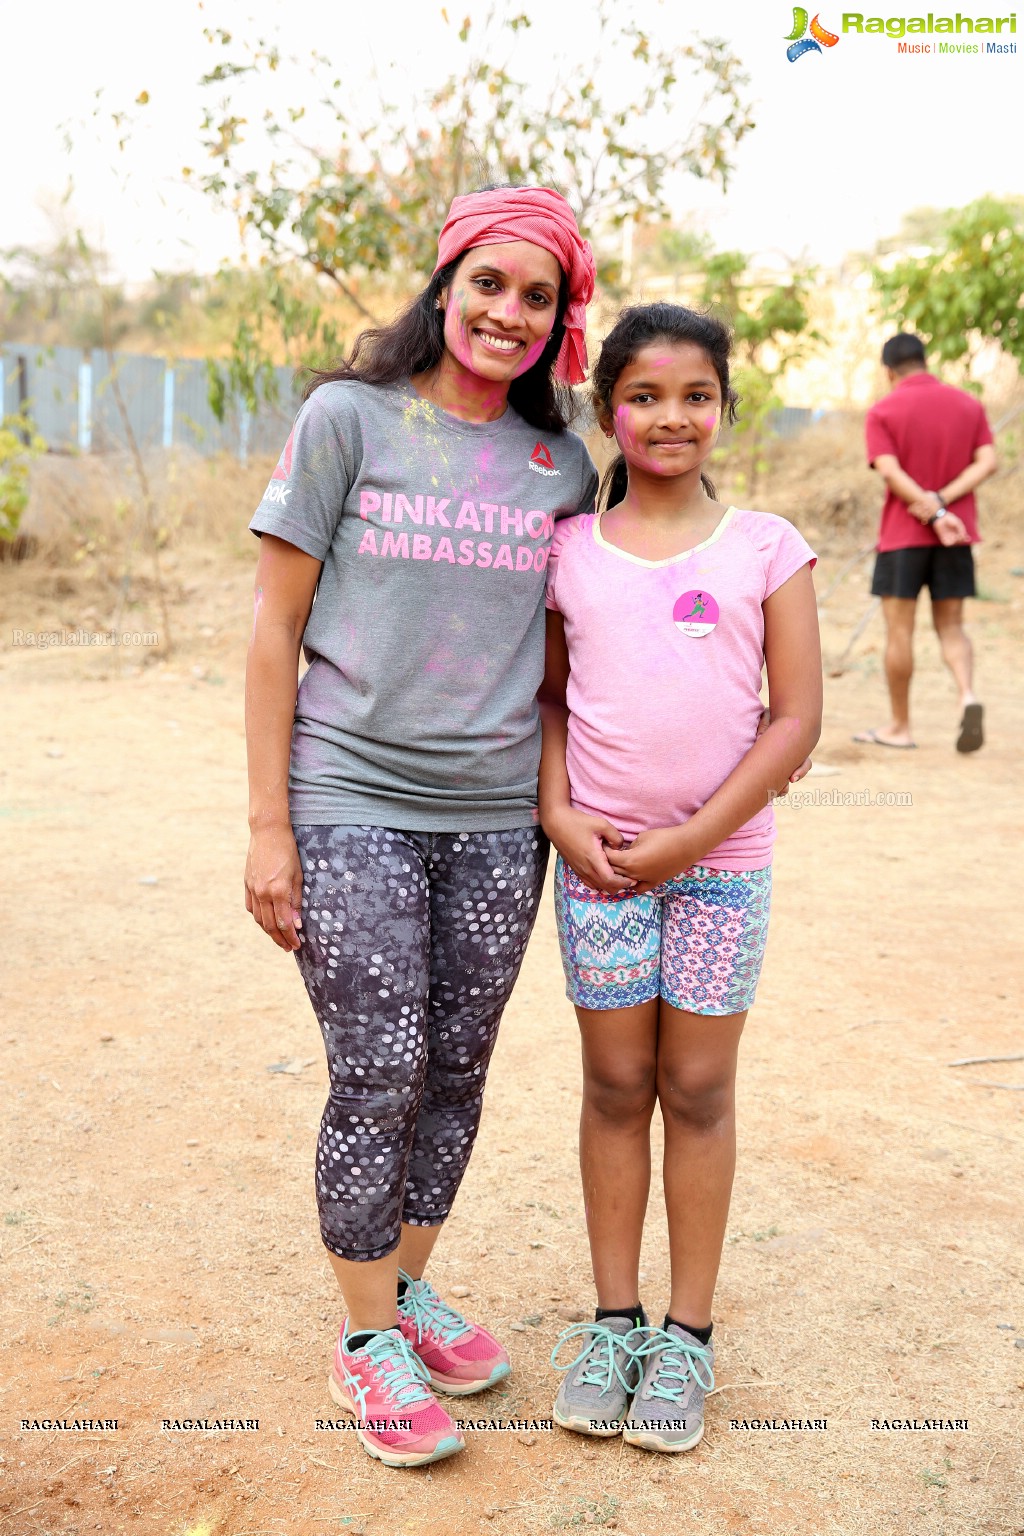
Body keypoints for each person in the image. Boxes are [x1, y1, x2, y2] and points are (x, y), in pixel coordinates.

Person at [244, 184, 598, 1468]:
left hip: (499, 821)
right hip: (348, 800)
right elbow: (275, 630)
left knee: (455, 1073)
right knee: (377, 1069)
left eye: (537, 296)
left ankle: (400, 1288)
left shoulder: (562, 467)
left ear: (561, 322)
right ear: (444, 285)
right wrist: (267, 824)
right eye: (489, 284)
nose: (508, 312)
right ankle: (362, 1347)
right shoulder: (347, 420)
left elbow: (564, 664)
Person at [539, 303, 822, 1454]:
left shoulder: (765, 547)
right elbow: (550, 700)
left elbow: (794, 719)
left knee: (697, 1090)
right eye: (645, 396)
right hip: (598, 866)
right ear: (610, 409)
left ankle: (687, 1335)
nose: (670, 416)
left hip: (722, 872)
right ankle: (614, 1323)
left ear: (722, 409)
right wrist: (558, 812)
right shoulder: (566, 548)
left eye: (694, 396)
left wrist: (692, 840)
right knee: (614, 1086)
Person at [853, 332, 997, 753]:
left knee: (900, 631)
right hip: (957, 536)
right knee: (951, 626)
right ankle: (967, 694)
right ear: (924, 361)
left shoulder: (883, 410)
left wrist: (930, 509)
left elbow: (890, 471)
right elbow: (988, 461)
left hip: (903, 538)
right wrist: (944, 503)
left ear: (888, 370)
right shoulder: (968, 405)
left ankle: (900, 727)